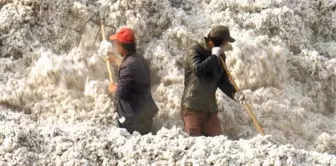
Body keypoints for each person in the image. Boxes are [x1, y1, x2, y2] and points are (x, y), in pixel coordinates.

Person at [181, 25, 244, 136]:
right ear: (220, 41)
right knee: (193, 143)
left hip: (210, 110)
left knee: (217, 141)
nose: (227, 45)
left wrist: (235, 93)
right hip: (192, 107)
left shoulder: (221, 57)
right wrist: (213, 57)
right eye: (226, 42)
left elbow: (223, 81)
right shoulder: (195, 50)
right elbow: (198, 70)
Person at [106, 27, 158, 135]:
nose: (115, 46)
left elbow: (122, 93)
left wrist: (114, 88)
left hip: (133, 122)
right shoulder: (139, 60)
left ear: (122, 46)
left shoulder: (129, 66)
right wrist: (115, 61)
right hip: (144, 116)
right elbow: (131, 73)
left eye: (116, 44)